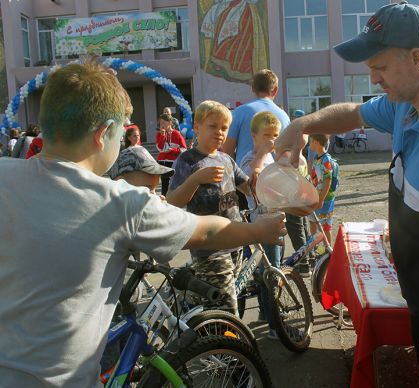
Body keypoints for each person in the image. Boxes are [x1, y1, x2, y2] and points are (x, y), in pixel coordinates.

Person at [0, 60, 286, 387]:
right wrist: (261, 230)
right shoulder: (119, 202)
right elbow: (206, 230)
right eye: (122, 131)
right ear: (103, 133)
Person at [274, 3, 419, 387]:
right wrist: (302, 124)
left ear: (417, 58)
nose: (374, 79)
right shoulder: (409, 105)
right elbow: (354, 113)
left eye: (380, 67)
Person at [166, 100, 253, 316]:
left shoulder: (226, 159)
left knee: (225, 299)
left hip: (236, 242)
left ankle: (193, 306)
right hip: (210, 247)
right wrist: (195, 180)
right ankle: (225, 348)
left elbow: (248, 187)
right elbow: (172, 201)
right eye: (213, 126)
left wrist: (260, 174)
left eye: (224, 128)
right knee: (227, 310)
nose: (220, 133)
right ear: (196, 127)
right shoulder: (187, 160)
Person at [239, 111, 282, 338]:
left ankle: (266, 314)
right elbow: (249, 183)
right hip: (262, 224)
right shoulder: (250, 158)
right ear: (254, 136)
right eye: (266, 135)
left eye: (275, 135)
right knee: (270, 275)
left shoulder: (269, 157)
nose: (272, 140)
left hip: (274, 220)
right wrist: (262, 153)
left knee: (268, 272)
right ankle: (276, 327)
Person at [222, 69, 290, 166]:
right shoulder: (284, 117)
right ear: (275, 90)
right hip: (274, 176)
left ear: (253, 88)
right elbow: (287, 152)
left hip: (245, 176)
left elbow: (227, 151)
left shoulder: (239, 113)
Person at [307, 134, 338, 247]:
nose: (309, 144)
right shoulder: (317, 158)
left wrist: (321, 200)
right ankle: (313, 247)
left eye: (311, 141)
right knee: (312, 220)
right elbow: (315, 178)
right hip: (316, 196)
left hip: (325, 199)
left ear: (316, 142)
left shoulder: (326, 160)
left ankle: (328, 250)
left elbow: (327, 181)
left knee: (326, 226)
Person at [155, 112, 187, 195]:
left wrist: (173, 150)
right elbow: (160, 148)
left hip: (173, 162)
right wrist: (162, 135)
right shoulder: (159, 134)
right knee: (164, 185)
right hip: (162, 162)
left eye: (163, 123)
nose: (161, 125)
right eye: (160, 123)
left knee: (174, 184)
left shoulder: (177, 134)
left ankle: (174, 201)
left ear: (169, 123)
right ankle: (164, 202)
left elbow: (184, 149)